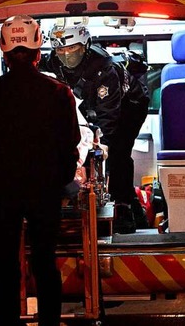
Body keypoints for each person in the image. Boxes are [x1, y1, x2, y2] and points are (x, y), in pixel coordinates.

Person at [0, 15, 80, 326]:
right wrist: (62, 182)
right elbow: (70, 147)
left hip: (0, 194)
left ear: (4, 54)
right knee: (44, 262)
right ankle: (50, 322)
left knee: (3, 266)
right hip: (45, 193)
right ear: (38, 53)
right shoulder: (59, 93)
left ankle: (7, 323)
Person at [43, 24, 150, 234]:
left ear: (84, 47)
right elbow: (36, 65)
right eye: (60, 50)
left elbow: (108, 119)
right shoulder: (55, 60)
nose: (65, 55)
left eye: (71, 49)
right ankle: (136, 212)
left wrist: (98, 146)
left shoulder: (103, 69)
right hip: (97, 105)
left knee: (117, 154)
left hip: (131, 106)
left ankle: (125, 211)